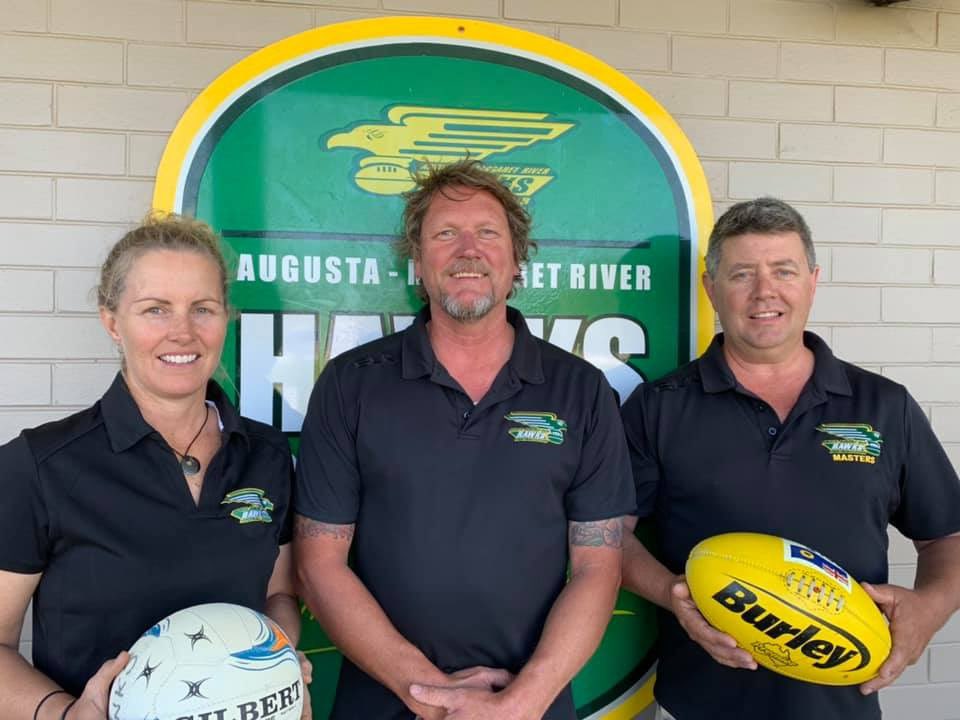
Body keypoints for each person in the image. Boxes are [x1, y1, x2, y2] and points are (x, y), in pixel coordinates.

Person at [294, 159, 634, 720]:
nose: (467, 250)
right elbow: (319, 565)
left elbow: (599, 567)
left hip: (529, 706)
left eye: (488, 233)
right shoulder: (352, 385)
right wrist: (428, 695)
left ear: (516, 260)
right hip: (384, 701)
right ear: (418, 262)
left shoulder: (581, 391)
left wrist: (521, 704)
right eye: (445, 233)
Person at [620, 197, 960, 720]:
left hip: (843, 707)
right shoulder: (660, 407)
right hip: (700, 705)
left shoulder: (883, 406)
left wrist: (929, 610)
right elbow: (604, 535)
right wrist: (672, 595)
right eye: (741, 274)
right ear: (711, 290)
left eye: (784, 270)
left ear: (812, 280)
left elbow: (948, 536)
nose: (765, 292)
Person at [0, 214, 310, 720]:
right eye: (155, 310)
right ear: (112, 321)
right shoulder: (38, 467)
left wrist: (274, 663)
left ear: (227, 318)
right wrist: (62, 714)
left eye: (202, 308)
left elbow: (279, 594)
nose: (182, 332)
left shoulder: (268, 456)